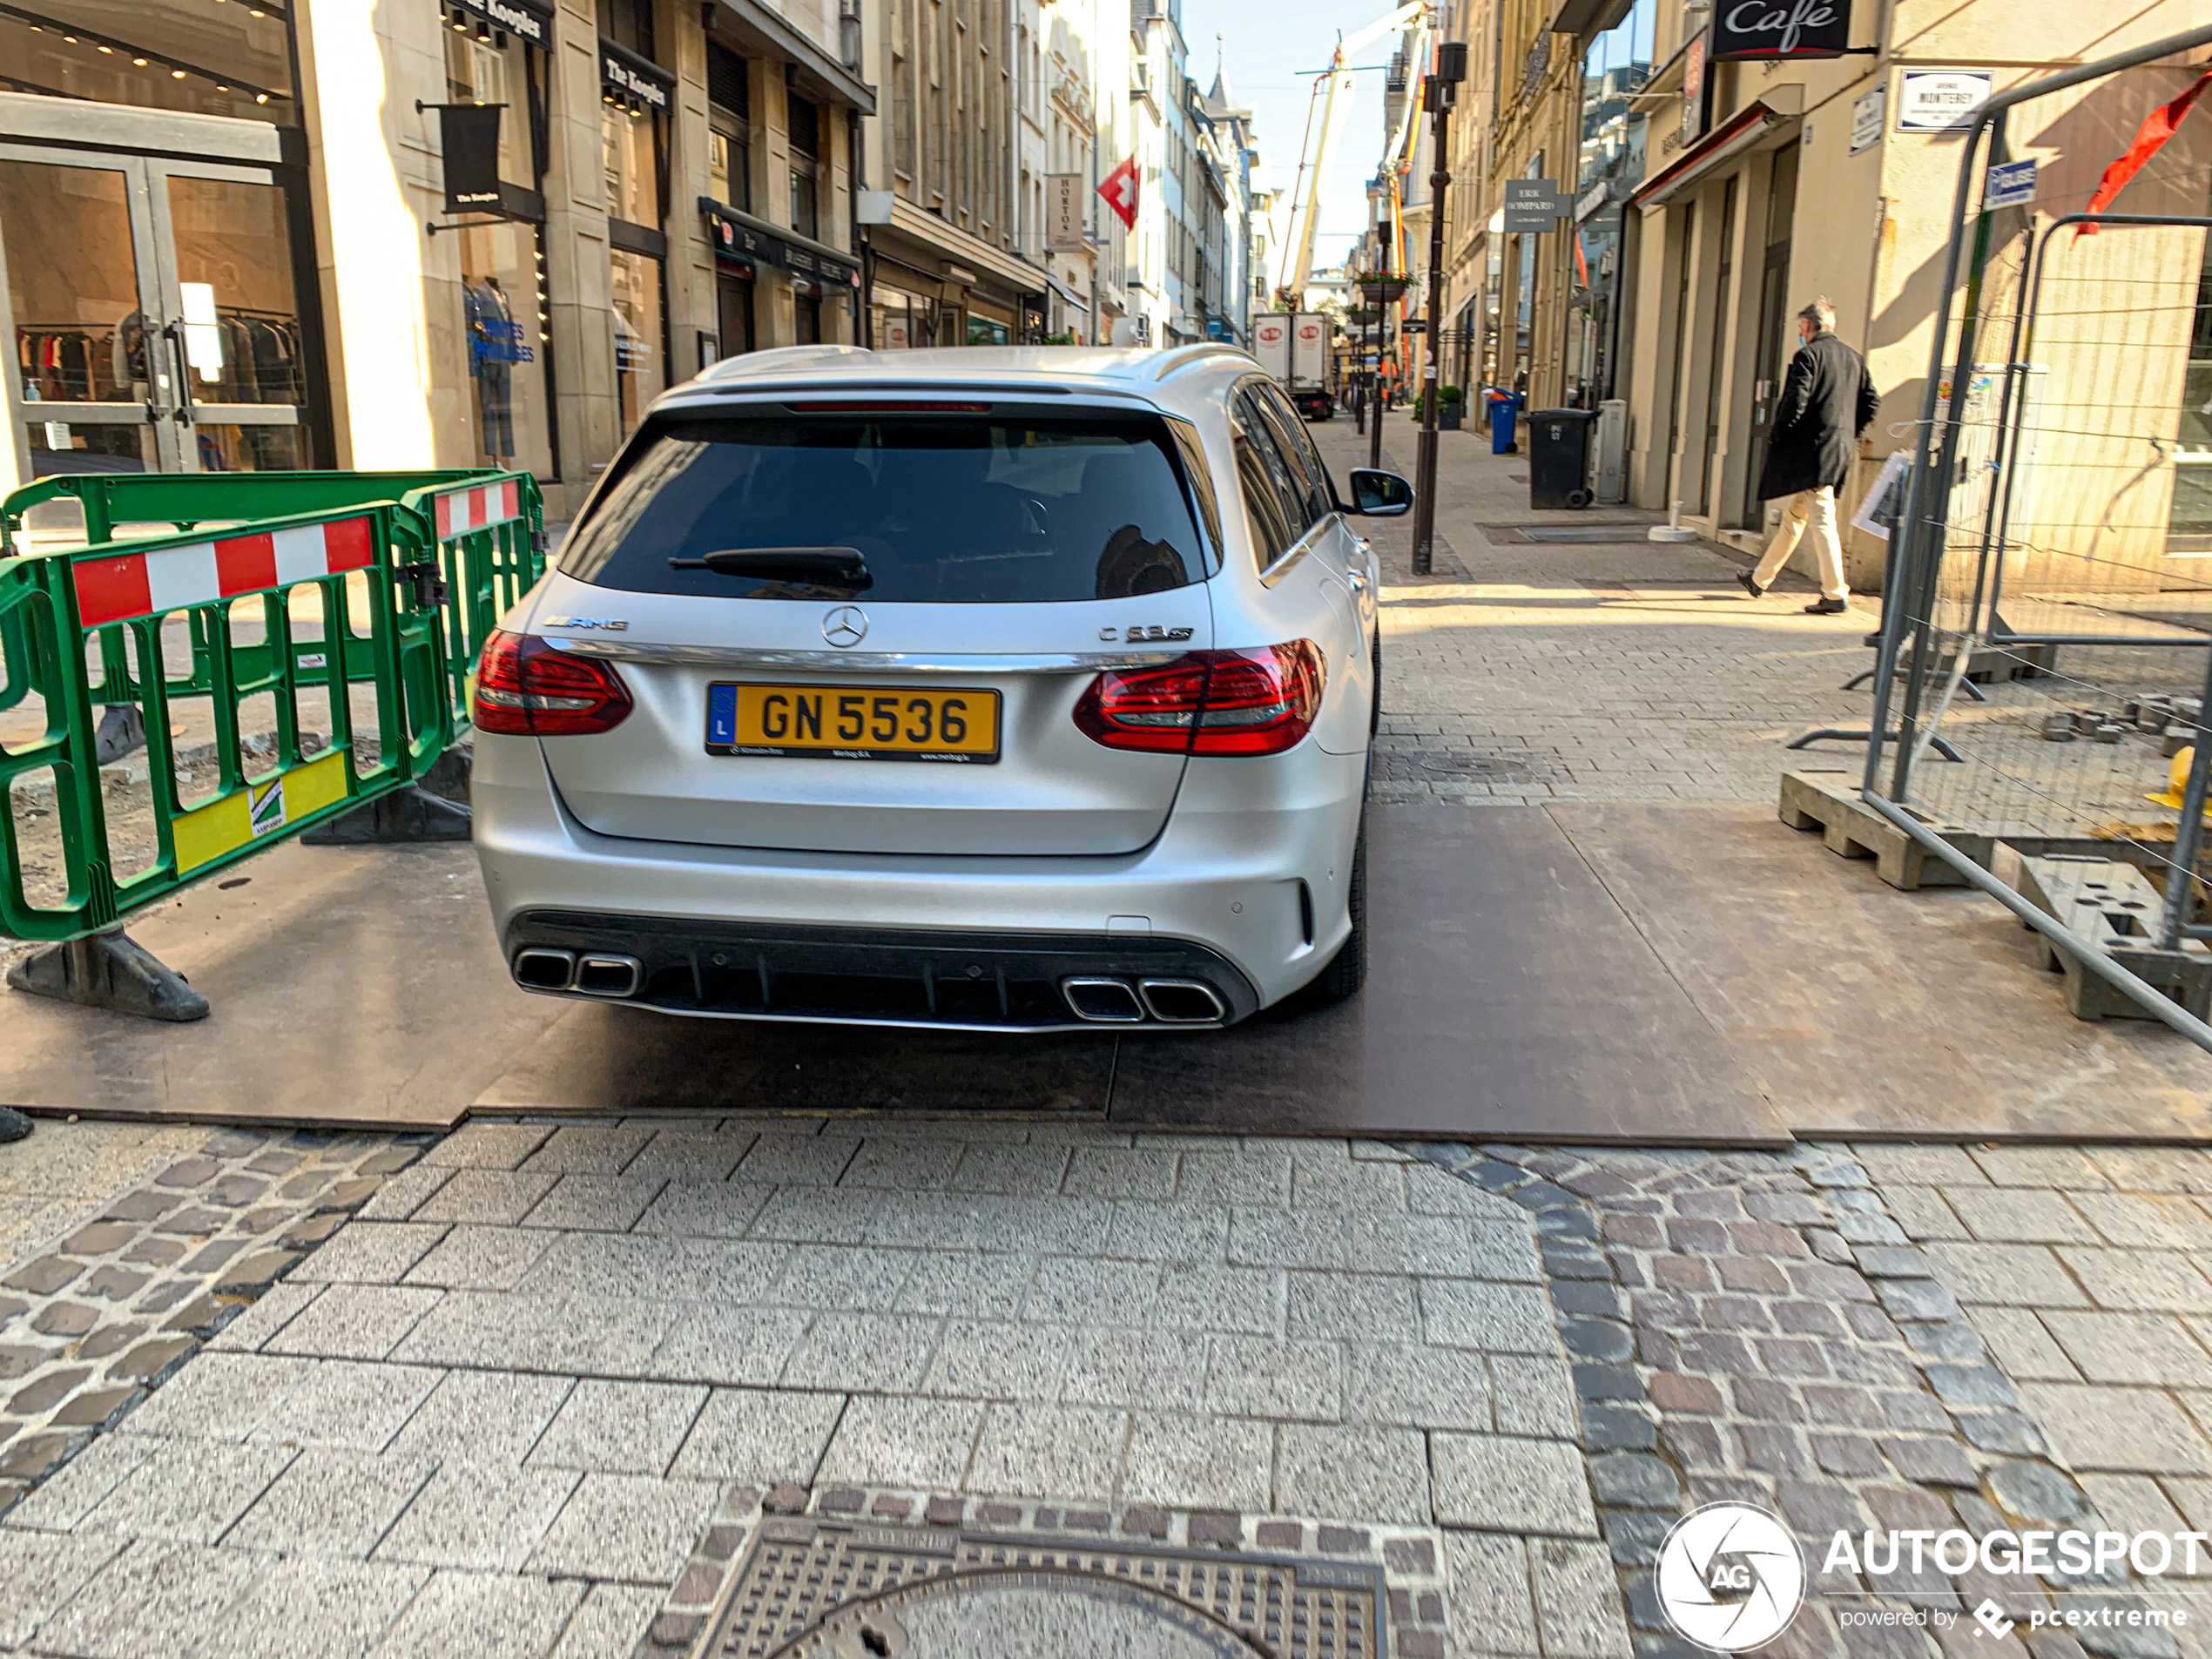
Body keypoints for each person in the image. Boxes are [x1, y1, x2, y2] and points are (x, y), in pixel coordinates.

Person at [1738, 298, 1881, 615]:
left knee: (1822, 519)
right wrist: (1848, 432)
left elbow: (1795, 402)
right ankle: (1760, 579)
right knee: (1795, 518)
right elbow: (1872, 402)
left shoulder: (1808, 356)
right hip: (1838, 449)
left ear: (1807, 326)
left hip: (1813, 453)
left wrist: (1780, 435)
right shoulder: (1853, 358)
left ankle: (1834, 592)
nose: (1800, 332)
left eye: (1801, 327)